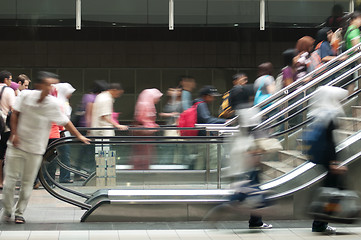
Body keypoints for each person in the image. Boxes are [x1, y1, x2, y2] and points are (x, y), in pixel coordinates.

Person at [2, 71, 90, 224]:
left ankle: (19, 212)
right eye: (48, 84)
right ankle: (8, 208)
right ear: (39, 85)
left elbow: (65, 122)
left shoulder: (53, 103)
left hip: (36, 149)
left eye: (53, 84)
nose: (51, 87)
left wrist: (79, 136)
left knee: (27, 183)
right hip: (16, 145)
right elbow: (15, 113)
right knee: (9, 181)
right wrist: (14, 134)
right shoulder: (25, 96)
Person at [308, 86, 348, 234]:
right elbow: (329, 141)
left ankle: (320, 221)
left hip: (324, 158)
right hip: (329, 158)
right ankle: (320, 221)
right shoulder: (330, 113)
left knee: (330, 190)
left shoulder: (318, 113)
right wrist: (334, 163)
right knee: (334, 191)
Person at [132, 88, 163, 169]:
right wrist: (150, 125)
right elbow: (141, 118)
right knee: (142, 152)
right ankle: (141, 168)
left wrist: (153, 124)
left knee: (146, 152)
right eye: (157, 97)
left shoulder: (148, 104)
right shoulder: (145, 104)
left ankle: (144, 167)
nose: (158, 100)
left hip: (147, 134)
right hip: (143, 135)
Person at [0, 70, 15, 189]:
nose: (11, 81)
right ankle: (3, 181)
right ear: (5, 80)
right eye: (10, 79)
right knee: (6, 153)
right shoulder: (8, 91)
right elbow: (14, 108)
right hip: (4, 126)